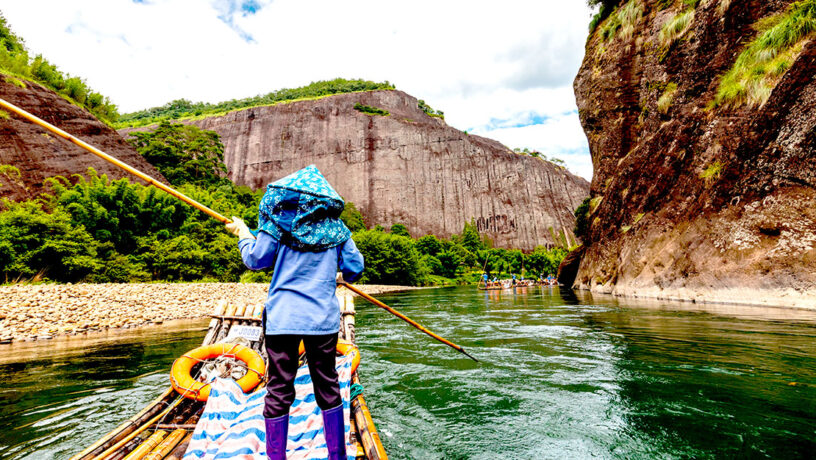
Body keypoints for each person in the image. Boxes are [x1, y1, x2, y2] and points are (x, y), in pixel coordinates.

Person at [226, 165, 364, 460]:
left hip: (282, 320)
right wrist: (336, 271)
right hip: (321, 322)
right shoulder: (337, 231)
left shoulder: (277, 223)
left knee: (278, 391)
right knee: (328, 388)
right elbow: (355, 270)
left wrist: (243, 233)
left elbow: (256, 259)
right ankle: (337, 457)